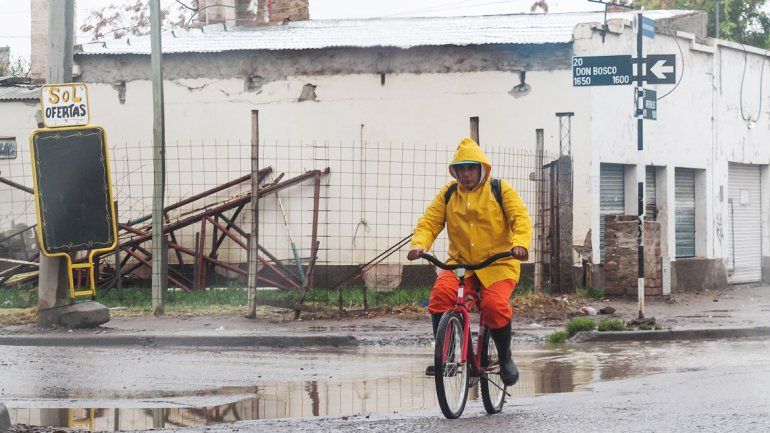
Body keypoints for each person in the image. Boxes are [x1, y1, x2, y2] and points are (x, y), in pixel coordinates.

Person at [407, 137, 532, 386]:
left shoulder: (500, 189)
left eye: (471, 168)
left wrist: (520, 244)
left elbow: (520, 218)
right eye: (461, 169)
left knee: (494, 306)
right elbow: (430, 222)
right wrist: (419, 244)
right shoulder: (449, 193)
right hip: (461, 264)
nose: (466, 174)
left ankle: (505, 357)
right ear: (455, 171)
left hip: (498, 264)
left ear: (481, 168)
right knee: (441, 295)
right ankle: (447, 356)